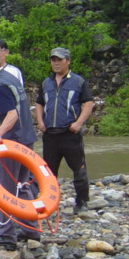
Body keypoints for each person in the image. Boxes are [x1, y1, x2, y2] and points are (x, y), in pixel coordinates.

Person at [0, 48, 38, 250]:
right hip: (26, 139)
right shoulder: (10, 78)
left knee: (4, 189)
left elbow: (12, 115)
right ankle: (31, 229)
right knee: (22, 185)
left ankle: (6, 235)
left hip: (11, 144)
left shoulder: (0, 85)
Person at [35, 47, 94, 214]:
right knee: (49, 172)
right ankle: (49, 201)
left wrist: (79, 123)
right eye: (53, 60)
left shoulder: (78, 81)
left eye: (59, 60)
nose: (56, 63)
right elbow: (39, 103)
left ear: (68, 61)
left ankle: (82, 202)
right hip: (50, 135)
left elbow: (88, 103)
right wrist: (40, 121)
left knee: (79, 169)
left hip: (70, 133)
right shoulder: (46, 82)